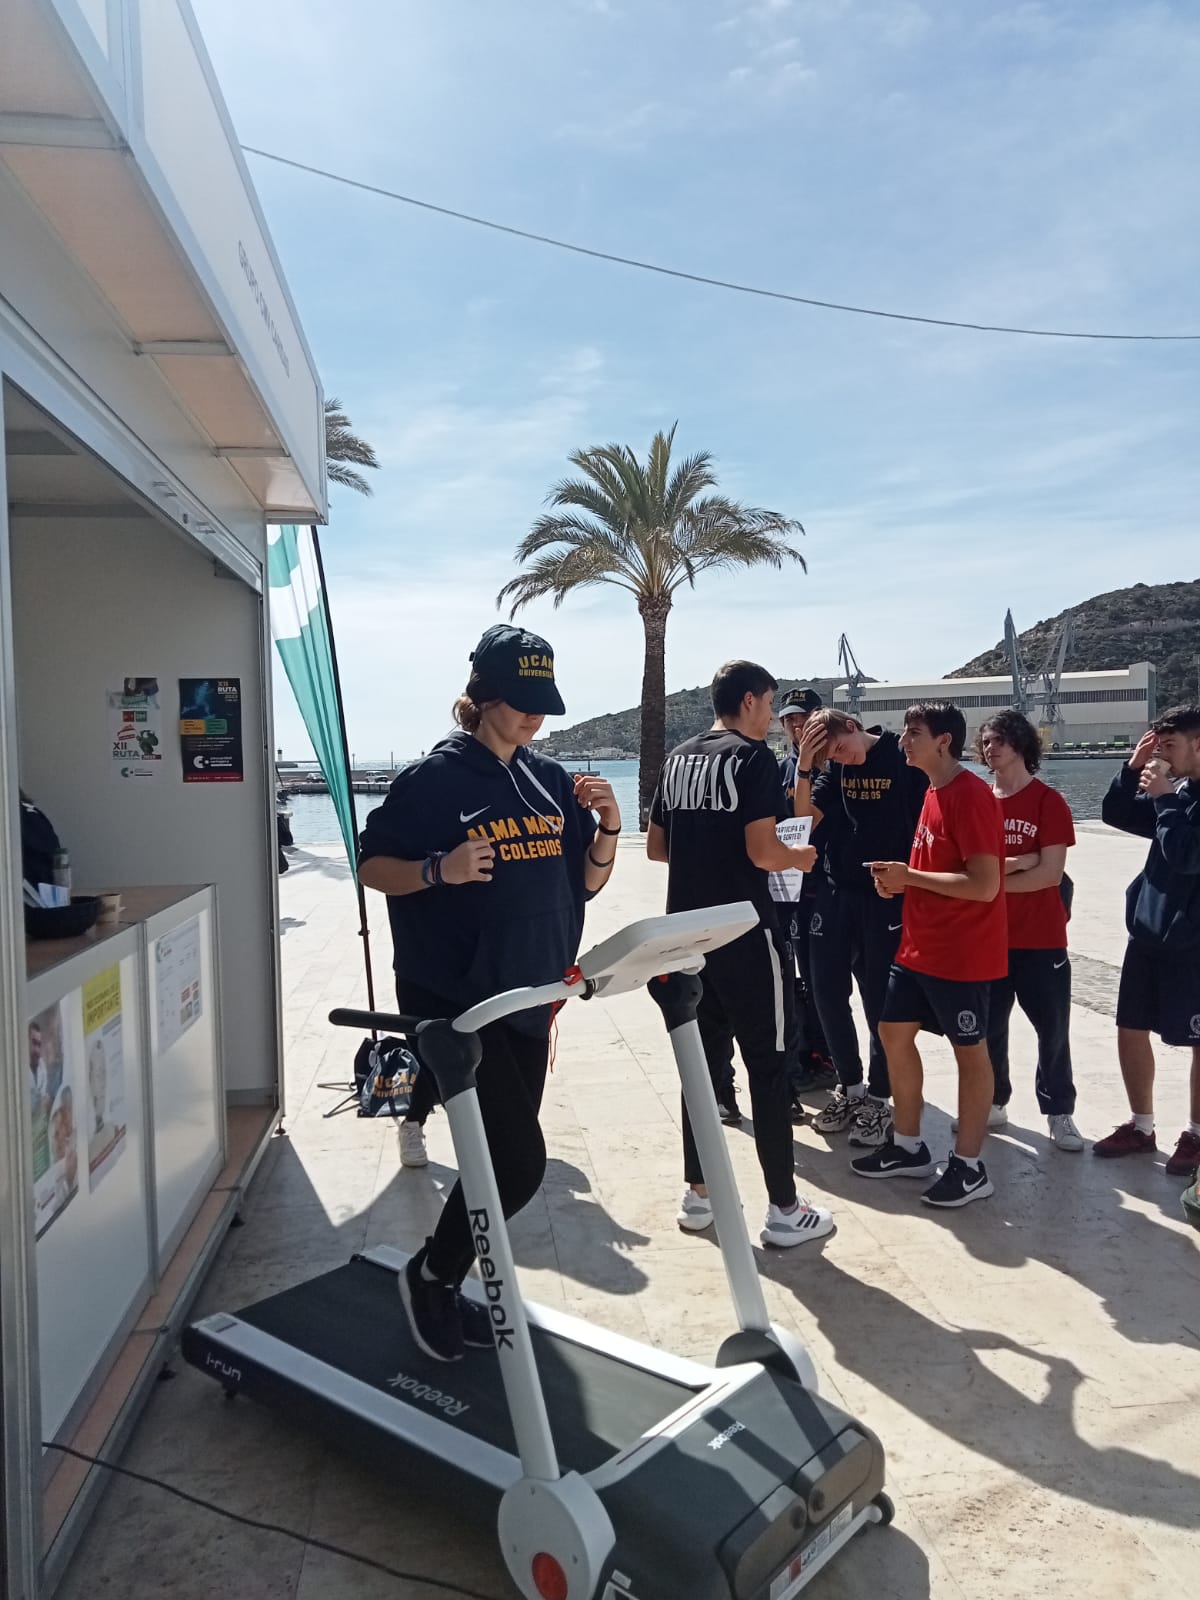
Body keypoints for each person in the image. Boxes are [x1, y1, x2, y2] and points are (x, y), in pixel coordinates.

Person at [358, 624, 620, 1360]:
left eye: (544, 702)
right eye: (521, 700)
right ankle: (432, 1276)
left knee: (496, 1163)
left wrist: (607, 827)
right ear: (483, 698)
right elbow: (371, 865)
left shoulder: (549, 780)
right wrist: (438, 869)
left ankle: (438, 1276)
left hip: (530, 999)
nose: (535, 715)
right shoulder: (433, 779)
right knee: (518, 1162)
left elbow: (586, 884)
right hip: (457, 1002)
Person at [647, 660, 833, 1246]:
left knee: (700, 1067)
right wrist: (799, 856)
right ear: (750, 700)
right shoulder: (752, 759)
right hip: (746, 937)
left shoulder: (678, 758)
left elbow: (658, 848)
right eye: (771, 703)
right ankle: (784, 1209)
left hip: (686, 939)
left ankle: (698, 1196)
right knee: (769, 1067)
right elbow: (762, 852)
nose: (773, 715)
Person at [850, 702, 1006, 1209]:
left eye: (914, 732)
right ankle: (908, 1146)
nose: (903, 741)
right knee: (893, 1033)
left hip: (961, 952)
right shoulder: (932, 792)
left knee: (970, 1053)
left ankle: (970, 1166)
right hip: (919, 947)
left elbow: (984, 885)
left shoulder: (971, 795)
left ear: (944, 741)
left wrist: (910, 877)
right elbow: (939, 870)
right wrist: (900, 884)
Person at [794, 708, 927, 1149]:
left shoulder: (898, 756)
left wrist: (916, 882)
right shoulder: (833, 769)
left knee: (879, 998)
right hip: (838, 890)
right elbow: (804, 822)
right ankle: (850, 1086)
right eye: (833, 756)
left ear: (853, 727)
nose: (842, 758)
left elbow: (927, 820)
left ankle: (880, 1096)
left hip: (886, 894)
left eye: (841, 748)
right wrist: (805, 767)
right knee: (826, 990)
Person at [1095, 705, 1200, 1177]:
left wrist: (1165, 799)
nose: (1163, 754)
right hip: (1150, 929)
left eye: (1170, 745)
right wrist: (1132, 769)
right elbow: (1117, 813)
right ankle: (1142, 1126)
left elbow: (1186, 855)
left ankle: (1197, 1134)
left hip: (1193, 940)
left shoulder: (1177, 797)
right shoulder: (1179, 793)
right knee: (1130, 1025)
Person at [976, 710, 1083, 1150]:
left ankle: (1059, 1111)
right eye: (985, 741)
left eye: (999, 739)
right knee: (988, 1027)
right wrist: (1020, 861)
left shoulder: (1048, 802)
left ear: (1021, 743)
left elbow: (1050, 875)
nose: (991, 748)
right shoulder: (979, 801)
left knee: (1052, 1029)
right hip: (990, 938)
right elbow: (966, 867)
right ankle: (993, 1100)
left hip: (1042, 938)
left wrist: (990, 881)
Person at [776, 687, 837, 1108]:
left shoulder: (835, 767)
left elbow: (809, 821)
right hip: (788, 887)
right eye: (790, 719)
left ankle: (828, 1055)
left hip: (827, 885)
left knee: (823, 980)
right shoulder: (780, 769)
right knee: (790, 977)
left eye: (805, 718)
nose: (798, 726)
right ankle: (803, 1055)